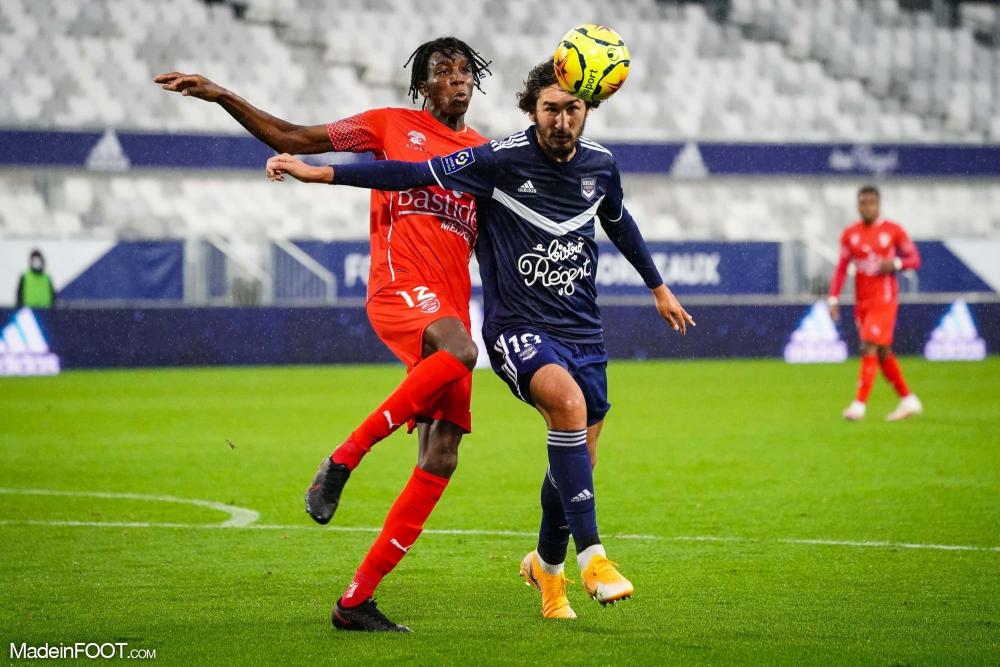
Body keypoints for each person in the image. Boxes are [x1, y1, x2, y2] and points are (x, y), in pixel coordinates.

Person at [266, 60, 695, 620]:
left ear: (588, 110)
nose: (562, 120)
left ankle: (539, 570)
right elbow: (410, 173)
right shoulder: (495, 158)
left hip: (579, 331)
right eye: (551, 108)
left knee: (524, 458)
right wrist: (325, 174)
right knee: (551, 400)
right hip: (505, 325)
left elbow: (620, 222)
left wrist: (658, 287)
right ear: (531, 110)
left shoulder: (600, 166)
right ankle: (593, 557)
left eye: (573, 108)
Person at [156, 37, 492, 632]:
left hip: (451, 307)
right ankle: (343, 460)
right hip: (400, 289)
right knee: (464, 353)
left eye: (466, 71)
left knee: (442, 455)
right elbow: (293, 138)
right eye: (444, 71)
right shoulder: (388, 125)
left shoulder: (483, 153)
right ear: (422, 85)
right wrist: (222, 96)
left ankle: (355, 602)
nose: (458, 80)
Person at [828, 185, 922, 422]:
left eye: (871, 202)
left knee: (868, 345)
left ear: (878, 205)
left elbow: (915, 258)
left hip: (885, 297)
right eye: (863, 202)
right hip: (862, 300)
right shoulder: (850, 234)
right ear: (858, 205)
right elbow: (841, 268)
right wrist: (833, 297)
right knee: (881, 352)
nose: (867, 206)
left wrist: (897, 264)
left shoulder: (893, 231)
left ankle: (859, 405)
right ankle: (908, 400)